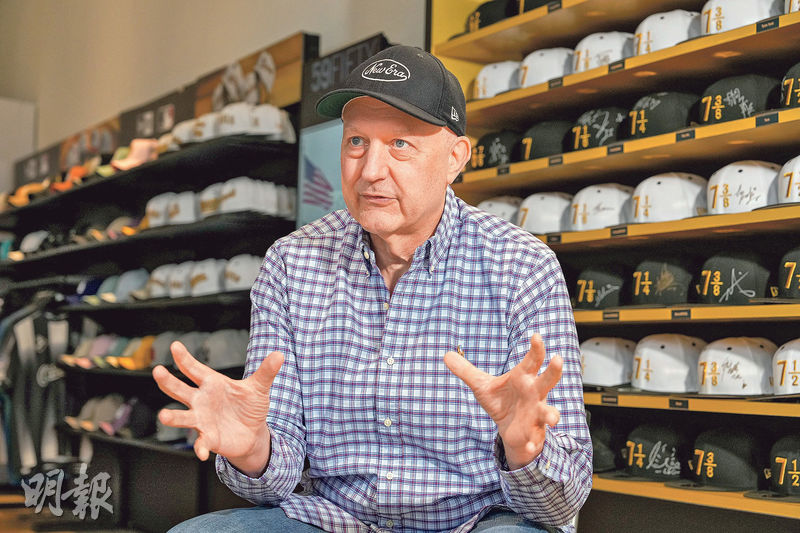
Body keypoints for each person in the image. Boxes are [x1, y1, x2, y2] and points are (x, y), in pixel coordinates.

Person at [154, 45, 591, 533]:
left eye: (400, 144)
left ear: (455, 158)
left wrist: (524, 449)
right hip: (335, 520)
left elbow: (562, 501)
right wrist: (253, 448)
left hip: (476, 521)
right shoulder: (292, 263)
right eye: (357, 141)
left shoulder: (522, 267)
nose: (369, 170)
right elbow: (271, 482)